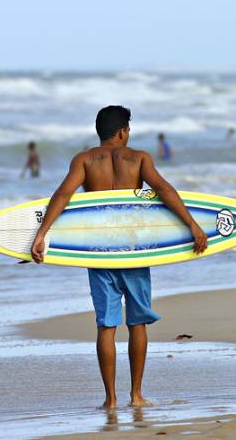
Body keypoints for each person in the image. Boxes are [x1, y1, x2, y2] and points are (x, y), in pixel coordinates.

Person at [31, 106, 207, 409]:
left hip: (100, 252)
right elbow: (163, 189)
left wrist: (42, 234)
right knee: (137, 324)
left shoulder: (84, 160)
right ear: (124, 131)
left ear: (100, 132)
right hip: (134, 248)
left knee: (106, 326)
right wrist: (192, 224)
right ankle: (136, 395)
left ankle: (110, 400)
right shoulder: (139, 158)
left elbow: (62, 195)